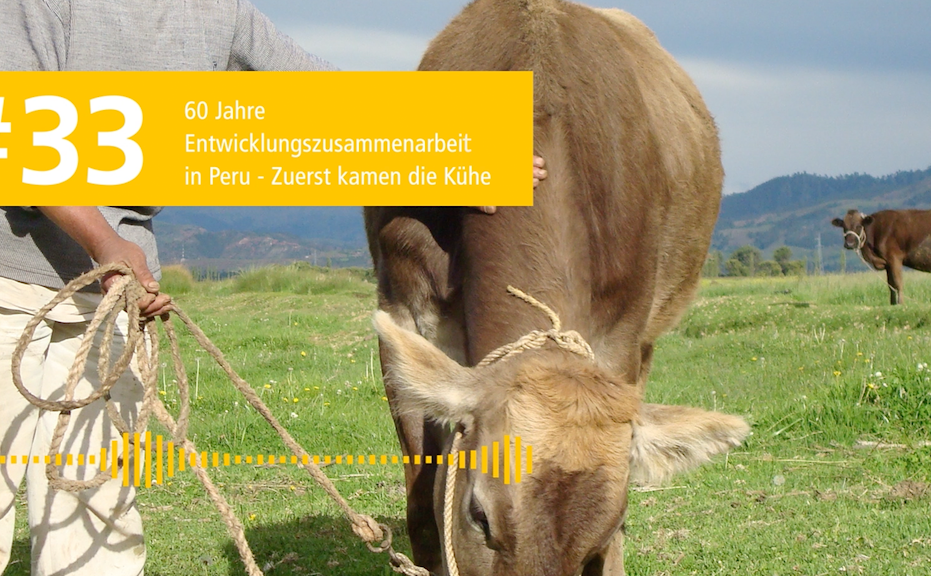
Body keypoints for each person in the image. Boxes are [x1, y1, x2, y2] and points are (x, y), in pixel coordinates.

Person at [1, 2, 545, 574]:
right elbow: (21, 135)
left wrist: (464, 151)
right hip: (14, 281)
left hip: (115, 293)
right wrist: (104, 244)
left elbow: (326, 98)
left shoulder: (219, 13)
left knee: (94, 513)